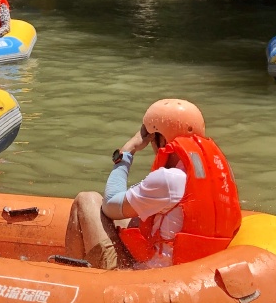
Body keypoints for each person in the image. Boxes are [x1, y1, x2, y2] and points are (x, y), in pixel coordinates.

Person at [65, 99, 241, 271]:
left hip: (155, 277)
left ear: (161, 139)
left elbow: (110, 204)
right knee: (133, 216)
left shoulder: (169, 179)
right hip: (194, 270)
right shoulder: (217, 172)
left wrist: (127, 151)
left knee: (87, 200)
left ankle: (72, 280)